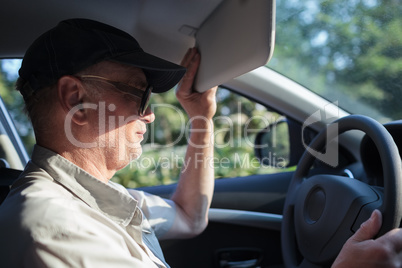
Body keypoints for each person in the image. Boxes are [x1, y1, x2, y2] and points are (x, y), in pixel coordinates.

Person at [0, 18, 401, 268]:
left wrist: (200, 118)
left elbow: (190, 216)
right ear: (75, 98)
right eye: (138, 94)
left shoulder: (93, 200)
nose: (150, 114)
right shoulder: (53, 226)